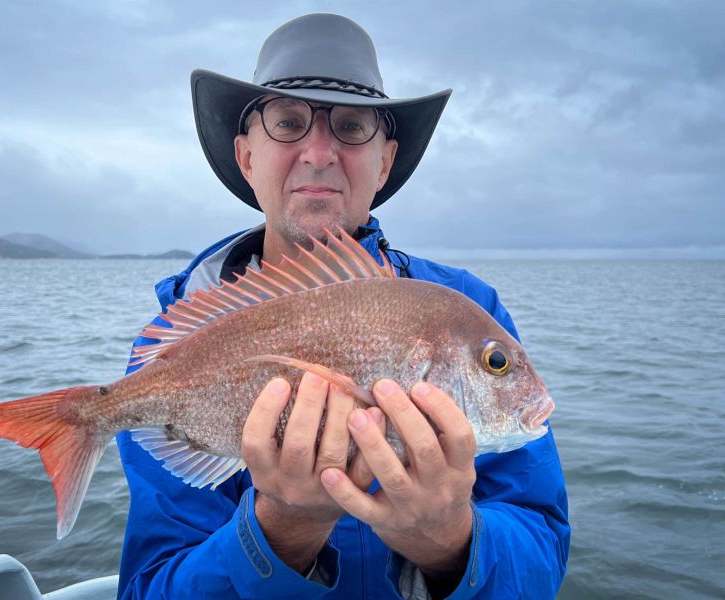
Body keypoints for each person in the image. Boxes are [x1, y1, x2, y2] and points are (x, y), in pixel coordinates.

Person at [116, 13, 569, 600]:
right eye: (287, 122)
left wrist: (451, 541)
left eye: (352, 127)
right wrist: (281, 530)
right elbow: (150, 589)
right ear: (246, 157)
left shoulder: (468, 309)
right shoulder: (173, 344)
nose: (319, 151)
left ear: (385, 162)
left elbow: (542, 549)